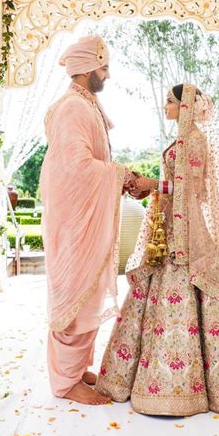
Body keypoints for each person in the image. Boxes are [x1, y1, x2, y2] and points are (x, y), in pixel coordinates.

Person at [96, 83, 219, 416]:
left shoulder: (195, 142)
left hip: (187, 235)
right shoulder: (182, 140)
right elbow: (176, 188)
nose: (165, 106)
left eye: (170, 102)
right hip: (170, 228)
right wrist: (149, 189)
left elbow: (191, 189)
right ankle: (144, 381)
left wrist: (152, 184)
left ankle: (204, 390)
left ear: (185, 105)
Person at [39, 35, 139, 405]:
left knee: (89, 291)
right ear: (86, 68)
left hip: (82, 217)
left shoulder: (86, 105)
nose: (107, 75)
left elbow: (89, 164)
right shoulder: (73, 109)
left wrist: (121, 179)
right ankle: (65, 382)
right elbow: (76, 168)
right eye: (104, 67)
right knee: (75, 291)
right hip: (74, 220)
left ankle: (77, 368)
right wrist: (123, 177)